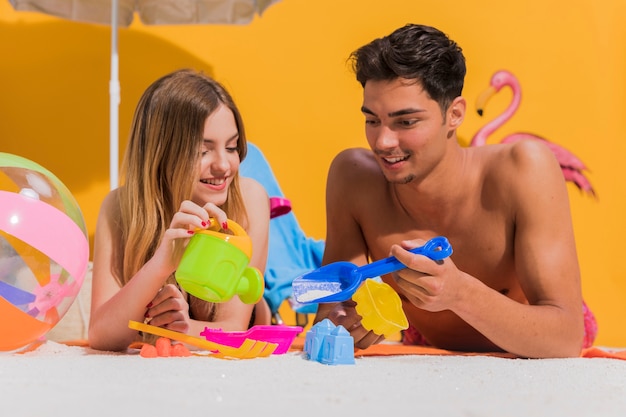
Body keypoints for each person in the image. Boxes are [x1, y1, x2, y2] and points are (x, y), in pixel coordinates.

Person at [313, 23, 597, 358]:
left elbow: (564, 338)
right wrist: (341, 324)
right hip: (429, 354)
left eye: (406, 122)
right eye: (372, 120)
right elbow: (332, 310)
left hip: (533, 358)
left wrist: (460, 294)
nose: (383, 142)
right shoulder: (354, 179)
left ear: (455, 114)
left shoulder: (523, 169)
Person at [88, 69, 271, 352]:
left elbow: (234, 326)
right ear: (162, 152)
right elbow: (100, 335)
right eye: (203, 151)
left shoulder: (249, 201)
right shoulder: (119, 209)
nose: (224, 165)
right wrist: (161, 264)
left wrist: (184, 329)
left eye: (232, 147)